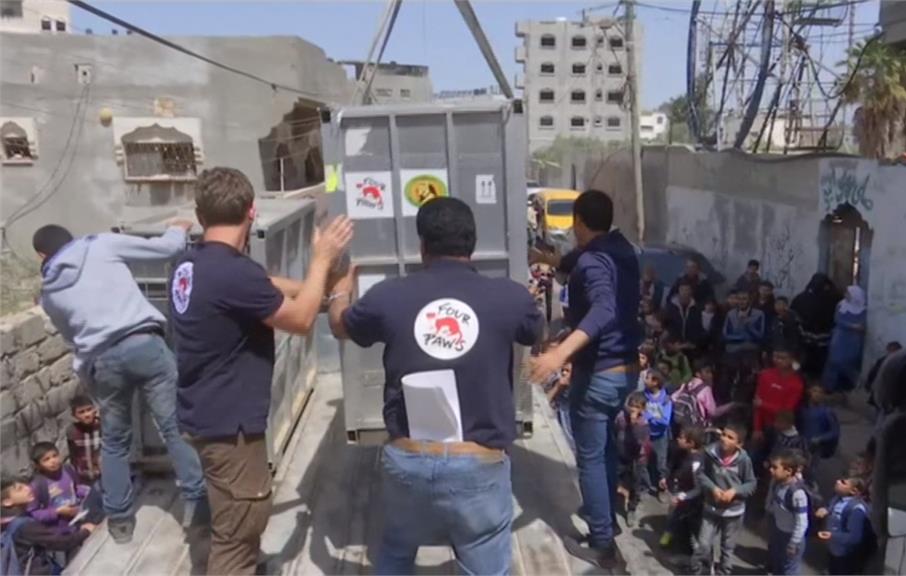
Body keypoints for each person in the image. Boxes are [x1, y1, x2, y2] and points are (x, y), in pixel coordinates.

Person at [330, 197, 542, 575]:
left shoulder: (389, 296)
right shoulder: (511, 297)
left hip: (408, 459)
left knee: (395, 549)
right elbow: (533, 330)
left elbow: (339, 325)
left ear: (422, 246)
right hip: (479, 462)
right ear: (472, 246)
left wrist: (340, 290)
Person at [171, 167, 352, 575]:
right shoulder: (233, 273)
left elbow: (262, 284)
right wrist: (322, 260)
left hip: (201, 412)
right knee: (241, 528)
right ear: (251, 211)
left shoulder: (191, 263)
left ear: (202, 216)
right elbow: (302, 320)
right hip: (229, 427)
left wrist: (314, 287)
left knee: (226, 514)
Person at [33, 221, 207, 543]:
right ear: (71, 238)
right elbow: (166, 249)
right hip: (144, 344)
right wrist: (178, 229)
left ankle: (120, 521)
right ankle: (196, 504)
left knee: (114, 441)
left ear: (43, 255)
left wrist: (92, 378)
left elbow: (74, 339)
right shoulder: (101, 244)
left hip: (103, 362)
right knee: (173, 426)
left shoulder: (50, 293)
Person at [529, 189, 642, 569]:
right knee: (605, 448)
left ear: (578, 222)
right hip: (624, 371)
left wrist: (560, 353)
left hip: (599, 372)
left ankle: (601, 542)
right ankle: (606, 515)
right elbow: (571, 263)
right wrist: (545, 259)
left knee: (590, 458)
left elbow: (603, 308)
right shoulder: (620, 249)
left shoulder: (593, 263)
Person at [692, 420, 756, 576]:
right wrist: (712, 488)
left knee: (727, 548)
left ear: (739, 444)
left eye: (730, 437)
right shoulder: (710, 453)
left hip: (733, 512)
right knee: (703, 544)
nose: (724, 439)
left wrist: (734, 491)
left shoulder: (744, 460)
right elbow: (701, 474)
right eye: (724, 435)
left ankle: (724, 572)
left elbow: (751, 483)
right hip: (711, 507)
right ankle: (697, 571)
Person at [1, 478, 96, 574]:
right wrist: (85, 531)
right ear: (7, 502)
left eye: (24, 485)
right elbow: (60, 542)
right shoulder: (24, 525)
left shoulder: (9, 523)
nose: (27, 488)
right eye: (19, 489)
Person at [26, 442, 102, 532]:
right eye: (46, 459)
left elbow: (75, 488)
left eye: (55, 456)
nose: (53, 461)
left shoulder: (67, 470)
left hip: (80, 515)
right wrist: (57, 512)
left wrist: (87, 492)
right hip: (62, 527)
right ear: (38, 465)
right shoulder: (37, 485)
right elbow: (34, 513)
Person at [816, 476, 874, 575]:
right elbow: (831, 507)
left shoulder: (857, 509)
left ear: (853, 491)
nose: (838, 481)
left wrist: (832, 535)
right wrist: (825, 510)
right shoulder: (837, 498)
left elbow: (854, 537)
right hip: (833, 549)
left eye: (843, 482)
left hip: (844, 556)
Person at [659, 426, 704, 551]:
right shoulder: (679, 452)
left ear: (691, 443)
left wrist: (682, 497)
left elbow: (699, 488)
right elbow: (672, 466)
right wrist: (665, 478)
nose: (678, 439)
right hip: (679, 491)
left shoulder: (697, 463)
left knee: (691, 524)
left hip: (691, 499)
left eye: (681, 438)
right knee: (673, 513)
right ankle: (669, 532)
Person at [766, 450, 810, 576]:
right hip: (780, 532)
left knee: (789, 569)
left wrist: (793, 543)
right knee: (778, 564)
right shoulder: (778, 485)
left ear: (789, 471)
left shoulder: (797, 493)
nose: (771, 470)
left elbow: (802, 522)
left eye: (775, 468)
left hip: (791, 537)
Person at [753, 347, 805, 450]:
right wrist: (757, 428)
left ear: (792, 360)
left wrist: (763, 404)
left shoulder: (797, 384)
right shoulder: (765, 375)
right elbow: (756, 404)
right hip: (764, 425)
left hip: (783, 429)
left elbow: (786, 411)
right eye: (775, 357)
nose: (778, 360)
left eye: (782, 358)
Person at [791, 273, 841, 377]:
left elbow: (794, 311)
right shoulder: (833, 297)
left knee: (811, 353)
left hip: (813, 332)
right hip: (820, 332)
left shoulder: (803, 297)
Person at [721, 290, 765, 402]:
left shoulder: (758, 314)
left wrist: (749, 327)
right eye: (739, 298)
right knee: (727, 378)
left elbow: (760, 335)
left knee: (747, 379)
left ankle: (743, 404)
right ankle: (727, 403)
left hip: (750, 351)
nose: (741, 301)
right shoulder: (730, 314)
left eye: (744, 298)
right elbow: (726, 334)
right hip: (733, 350)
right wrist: (742, 337)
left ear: (749, 300)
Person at [823, 286, 867, 394]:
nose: (845, 295)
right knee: (834, 361)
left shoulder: (863, 309)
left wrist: (858, 328)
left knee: (849, 361)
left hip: (853, 339)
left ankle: (849, 384)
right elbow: (837, 320)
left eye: (848, 293)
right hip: (840, 337)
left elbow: (863, 324)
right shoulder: (841, 305)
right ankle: (829, 386)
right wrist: (852, 326)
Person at [615, 392, 650, 527]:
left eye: (636, 407)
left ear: (642, 409)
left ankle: (631, 509)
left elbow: (640, 442)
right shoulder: (621, 417)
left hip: (637, 459)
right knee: (614, 477)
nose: (632, 409)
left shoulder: (643, 424)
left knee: (635, 484)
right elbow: (616, 429)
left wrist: (634, 424)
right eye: (631, 405)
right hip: (621, 453)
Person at [643, 370, 673, 495]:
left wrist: (649, 417)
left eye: (648, 378)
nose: (645, 380)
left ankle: (662, 487)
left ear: (655, 382)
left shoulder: (665, 400)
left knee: (661, 462)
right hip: (645, 434)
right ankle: (647, 486)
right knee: (645, 461)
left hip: (660, 436)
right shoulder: (643, 396)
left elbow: (664, 421)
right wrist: (656, 418)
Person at [663, 283, 708, 362]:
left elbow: (699, 329)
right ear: (678, 291)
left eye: (687, 290)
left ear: (691, 292)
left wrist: (691, 344)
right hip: (673, 345)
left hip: (691, 347)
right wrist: (673, 344)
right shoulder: (670, 308)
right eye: (682, 290)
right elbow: (666, 327)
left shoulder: (697, 309)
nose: (685, 292)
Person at [65, 395, 101, 487]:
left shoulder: (102, 427)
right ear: (74, 415)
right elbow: (73, 455)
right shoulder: (72, 431)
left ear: (95, 410)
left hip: (104, 475)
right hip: (84, 478)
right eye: (81, 412)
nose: (87, 415)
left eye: (89, 410)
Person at [801, 384, 840, 464]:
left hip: (814, 446)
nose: (817, 394)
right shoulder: (802, 409)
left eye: (820, 392)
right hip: (800, 443)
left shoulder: (827, 412)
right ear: (809, 392)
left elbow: (835, 432)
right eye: (815, 391)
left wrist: (820, 438)